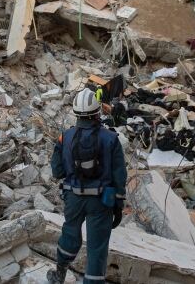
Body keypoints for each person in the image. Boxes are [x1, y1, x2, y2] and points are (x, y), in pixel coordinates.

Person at [47, 88, 127, 284]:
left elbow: (57, 172)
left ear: (76, 113)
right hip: (101, 202)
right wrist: (118, 205)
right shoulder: (111, 139)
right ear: (97, 112)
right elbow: (119, 176)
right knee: (97, 248)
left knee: (70, 233)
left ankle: (59, 274)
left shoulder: (65, 137)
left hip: (73, 198)